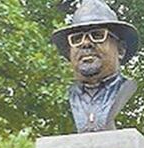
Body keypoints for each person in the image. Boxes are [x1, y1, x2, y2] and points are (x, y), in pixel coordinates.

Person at [51, 0, 139, 133]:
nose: (85, 43)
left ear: (120, 50)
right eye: (76, 39)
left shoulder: (127, 89)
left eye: (97, 35)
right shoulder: (63, 98)